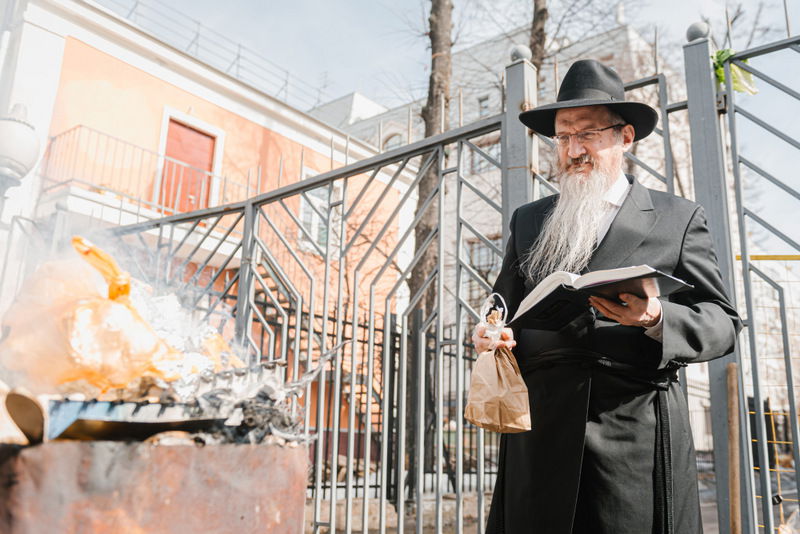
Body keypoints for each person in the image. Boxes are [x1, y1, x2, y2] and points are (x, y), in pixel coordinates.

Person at [473, 59, 742, 534]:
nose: (573, 150)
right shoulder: (529, 219)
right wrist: (490, 331)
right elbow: (502, 306)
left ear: (625, 137)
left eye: (588, 135)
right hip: (542, 427)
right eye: (562, 137)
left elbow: (722, 322)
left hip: (633, 427)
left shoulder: (676, 217)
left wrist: (656, 315)